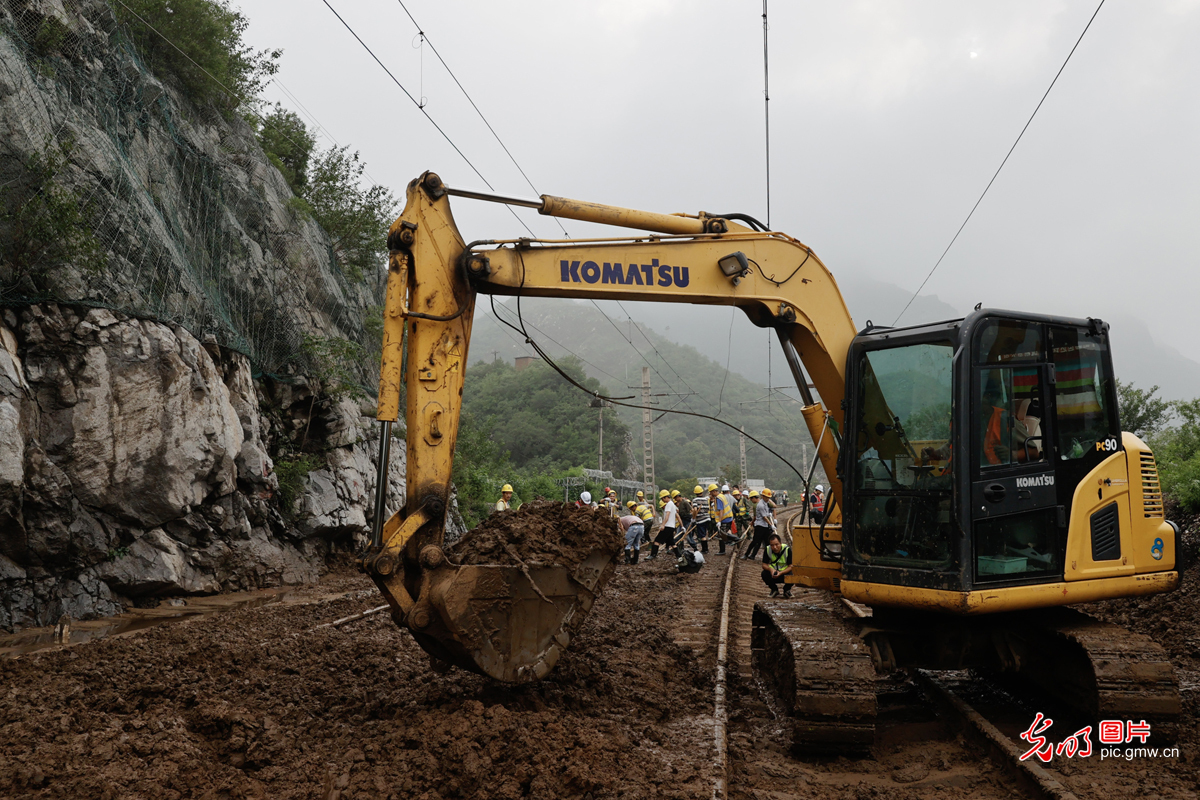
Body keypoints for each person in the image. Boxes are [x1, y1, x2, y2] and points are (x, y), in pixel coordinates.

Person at [744, 489, 774, 560]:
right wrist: (771, 525)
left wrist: (769, 516)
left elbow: (770, 510)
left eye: (769, 497)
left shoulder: (766, 503)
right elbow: (764, 517)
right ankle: (746, 554)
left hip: (765, 526)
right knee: (755, 541)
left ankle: (768, 558)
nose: (768, 499)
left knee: (767, 543)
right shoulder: (760, 505)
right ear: (762, 496)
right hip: (760, 526)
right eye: (766, 497)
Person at [761, 533, 793, 597]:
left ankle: (787, 590)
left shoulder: (787, 549)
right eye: (772, 545)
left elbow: (791, 566)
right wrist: (771, 569)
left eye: (776, 544)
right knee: (764, 573)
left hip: (784, 573)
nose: (775, 547)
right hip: (773, 573)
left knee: (795, 573)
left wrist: (781, 573)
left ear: (780, 543)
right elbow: (764, 564)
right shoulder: (767, 549)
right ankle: (774, 589)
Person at [652, 489, 678, 560]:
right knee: (672, 543)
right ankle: (679, 555)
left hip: (667, 526)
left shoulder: (668, 505)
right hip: (672, 526)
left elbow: (667, 516)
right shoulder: (672, 504)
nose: (662, 500)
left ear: (665, 497)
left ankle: (653, 555)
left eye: (662, 498)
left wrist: (663, 525)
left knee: (657, 540)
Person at [691, 485, 712, 553]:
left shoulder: (695, 500)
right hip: (707, 518)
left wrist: (693, 518)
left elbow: (695, 510)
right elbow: (708, 508)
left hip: (700, 520)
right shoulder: (706, 500)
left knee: (702, 535)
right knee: (705, 534)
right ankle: (705, 549)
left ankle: (705, 550)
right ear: (702, 492)